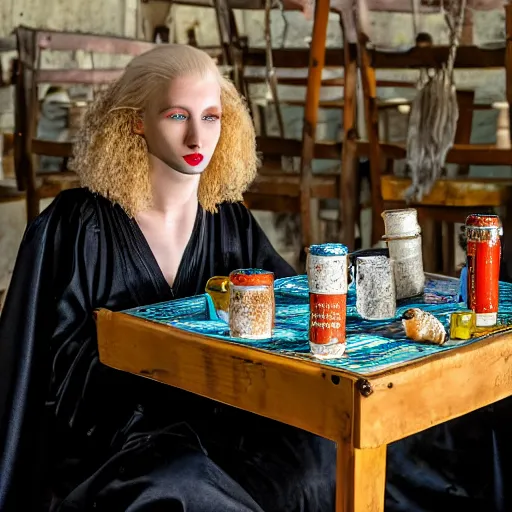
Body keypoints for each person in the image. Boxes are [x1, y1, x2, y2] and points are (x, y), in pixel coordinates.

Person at [0, 44, 335, 511]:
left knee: (319, 457)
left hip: (224, 422)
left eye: (211, 117)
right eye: (178, 116)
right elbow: (44, 372)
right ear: (137, 121)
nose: (198, 138)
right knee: (180, 481)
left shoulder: (228, 220)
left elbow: (287, 305)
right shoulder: (75, 226)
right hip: (116, 442)